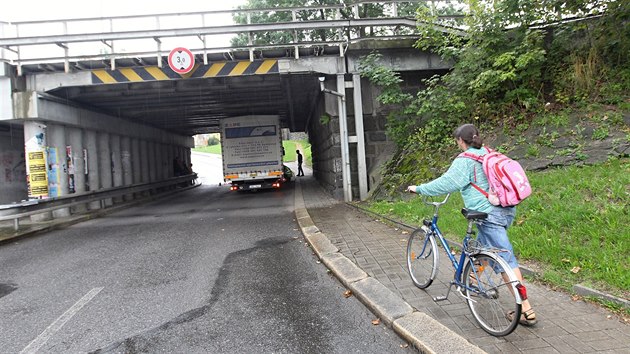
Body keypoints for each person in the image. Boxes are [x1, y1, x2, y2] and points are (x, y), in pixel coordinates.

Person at [406, 123, 537, 326]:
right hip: (506, 209)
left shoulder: (465, 160)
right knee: (484, 247)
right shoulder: (487, 152)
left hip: (488, 214)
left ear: (460, 140)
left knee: (506, 260)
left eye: (456, 141)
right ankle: (473, 281)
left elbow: (447, 182)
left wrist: (419, 188)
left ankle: (526, 310)